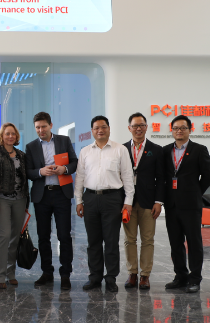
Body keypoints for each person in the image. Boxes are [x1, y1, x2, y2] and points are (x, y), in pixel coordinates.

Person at [75, 115, 134, 293]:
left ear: (109, 129)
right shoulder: (85, 151)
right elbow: (80, 177)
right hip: (91, 198)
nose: (100, 130)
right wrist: (79, 200)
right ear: (92, 131)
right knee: (93, 241)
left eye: (103, 127)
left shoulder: (120, 150)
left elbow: (128, 176)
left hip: (112, 199)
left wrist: (128, 202)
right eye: (96, 128)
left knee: (111, 240)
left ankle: (111, 278)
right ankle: (95, 277)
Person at [25, 111, 78, 290]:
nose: (41, 130)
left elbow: (74, 162)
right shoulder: (31, 146)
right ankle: (47, 272)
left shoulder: (64, 141)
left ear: (51, 125)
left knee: (64, 236)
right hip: (42, 196)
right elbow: (28, 171)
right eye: (37, 127)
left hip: (62, 194)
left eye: (44, 126)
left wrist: (64, 169)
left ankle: (65, 274)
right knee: (43, 236)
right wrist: (40, 172)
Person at [163, 115, 210, 293]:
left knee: (193, 242)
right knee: (175, 243)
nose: (179, 131)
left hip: (191, 205)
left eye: (183, 128)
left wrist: (196, 192)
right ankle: (180, 276)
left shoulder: (199, 149)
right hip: (171, 205)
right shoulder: (165, 151)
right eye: (176, 128)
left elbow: (208, 175)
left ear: (189, 130)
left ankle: (195, 279)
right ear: (172, 130)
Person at [122, 113, 165, 290]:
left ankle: (145, 275)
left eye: (141, 125)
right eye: (135, 125)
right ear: (129, 128)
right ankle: (132, 273)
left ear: (147, 127)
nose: (138, 128)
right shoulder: (122, 149)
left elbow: (161, 178)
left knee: (148, 239)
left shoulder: (157, 150)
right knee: (129, 239)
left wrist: (158, 201)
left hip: (148, 201)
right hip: (128, 202)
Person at [0, 123, 30, 289]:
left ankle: (10, 273)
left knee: (15, 237)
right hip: (2, 199)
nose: (10, 136)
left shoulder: (21, 155)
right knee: (4, 235)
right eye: (7, 134)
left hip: (20, 199)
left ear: (16, 136)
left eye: (13, 134)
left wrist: (27, 202)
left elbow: (25, 179)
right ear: (2, 136)